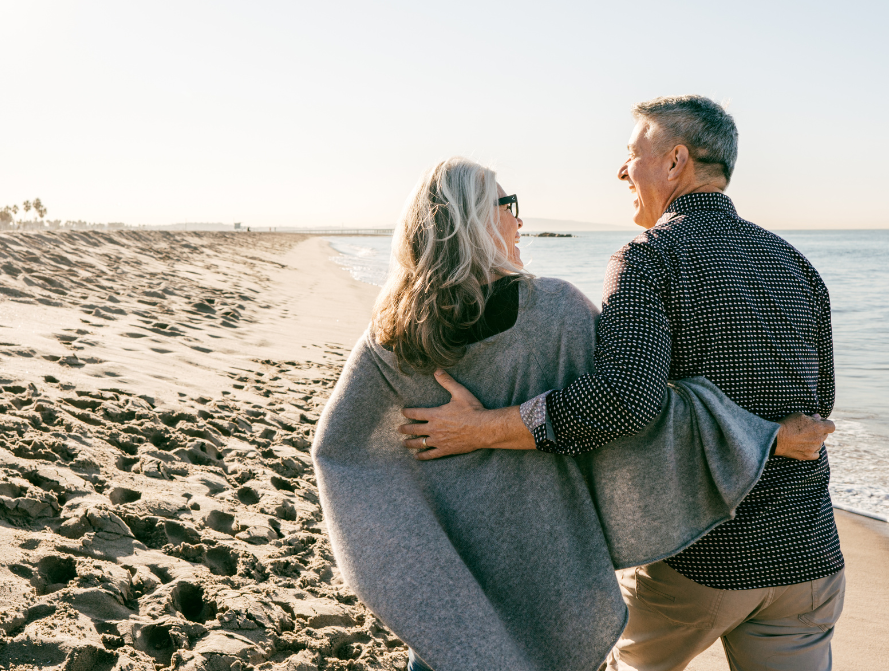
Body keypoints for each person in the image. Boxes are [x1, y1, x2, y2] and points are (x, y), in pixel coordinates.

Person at [401, 96, 842, 671]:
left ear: (675, 161)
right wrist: (772, 435)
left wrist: (481, 429)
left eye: (632, 155)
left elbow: (622, 401)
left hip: (700, 562)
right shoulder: (795, 263)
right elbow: (820, 404)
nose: (621, 172)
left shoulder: (650, 256)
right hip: (808, 558)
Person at [311, 157, 788, 671]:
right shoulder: (554, 311)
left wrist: (411, 548)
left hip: (453, 564)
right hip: (551, 564)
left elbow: (339, 452)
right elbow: (632, 410)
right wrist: (764, 434)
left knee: (456, 655)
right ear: (475, 220)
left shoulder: (393, 332)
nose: (519, 221)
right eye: (508, 205)